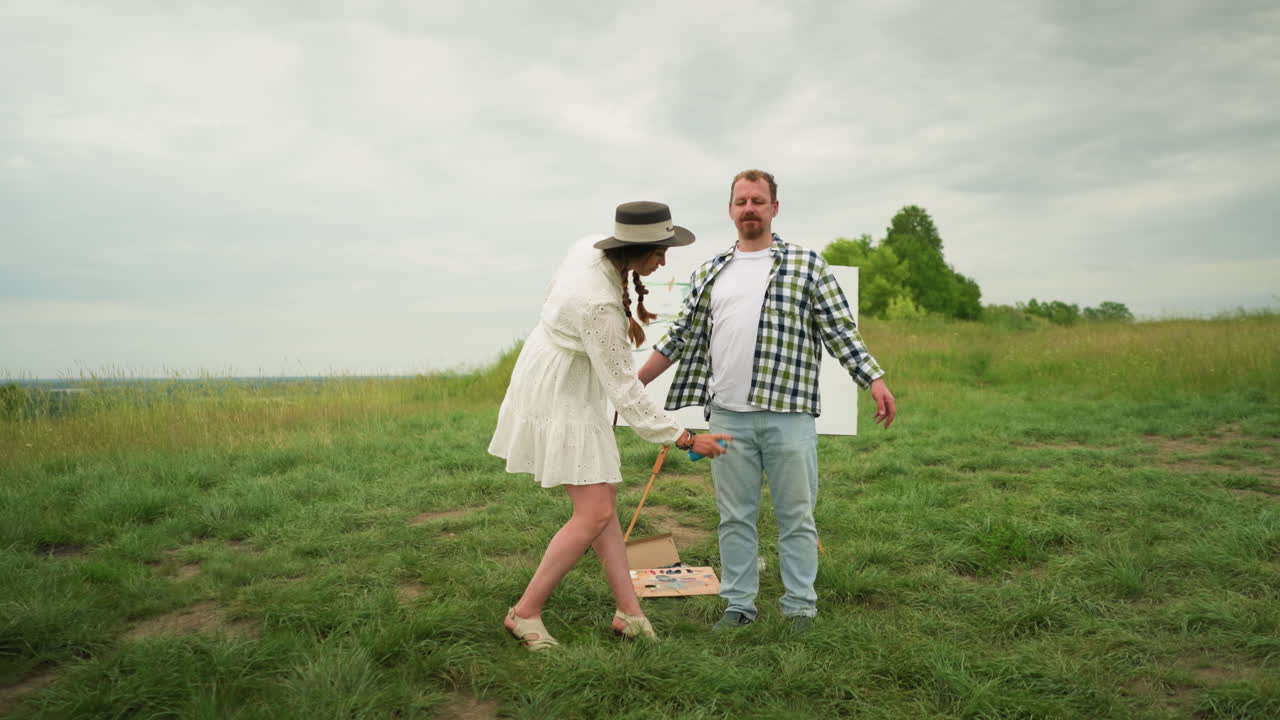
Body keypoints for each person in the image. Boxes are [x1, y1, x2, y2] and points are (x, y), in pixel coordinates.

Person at [638, 170, 897, 632]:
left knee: (796, 516)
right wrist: (632, 386)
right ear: (731, 210)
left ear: (774, 208)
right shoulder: (711, 271)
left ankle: (800, 607)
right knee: (734, 518)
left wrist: (873, 379)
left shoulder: (807, 265)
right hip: (727, 418)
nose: (750, 208)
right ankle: (739, 606)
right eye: (741, 201)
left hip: (789, 418)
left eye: (759, 200)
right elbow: (679, 337)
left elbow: (841, 332)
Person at [489, 200, 732, 651]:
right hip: (560, 391)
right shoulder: (598, 307)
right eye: (660, 251)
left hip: (562, 372)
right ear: (636, 249)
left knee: (603, 504)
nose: (664, 260)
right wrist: (684, 437)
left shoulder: (590, 248)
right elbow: (625, 392)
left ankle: (630, 613)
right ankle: (525, 613)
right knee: (594, 512)